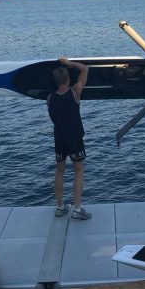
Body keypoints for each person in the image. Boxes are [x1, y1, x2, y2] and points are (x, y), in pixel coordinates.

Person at [47, 57, 91, 219]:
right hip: (74, 138)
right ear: (67, 79)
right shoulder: (75, 92)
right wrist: (70, 63)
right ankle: (78, 210)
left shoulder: (50, 99)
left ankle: (60, 207)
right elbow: (85, 69)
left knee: (60, 171)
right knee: (78, 171)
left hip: (59, 139)